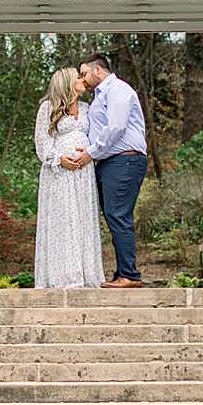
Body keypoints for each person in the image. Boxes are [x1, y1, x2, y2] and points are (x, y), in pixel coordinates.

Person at [64, 52, 147, 288]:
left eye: (84, 74)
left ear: (97, 70)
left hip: (125, 161)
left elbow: (116, 127)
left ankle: (129, 275)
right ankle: (123, 271)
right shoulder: (100, 96)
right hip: (110, 163)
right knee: (114, 216)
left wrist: (91, 152)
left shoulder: (118, 90)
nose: (83, 79)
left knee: (118, 215)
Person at [31, 68, 105, 290]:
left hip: (83, 174)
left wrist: (89, 155)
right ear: (66, 83)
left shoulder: (87, 108)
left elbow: (97, 137)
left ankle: (87, 274)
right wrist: (58, 158)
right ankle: (62, 277)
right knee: (63, 221)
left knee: (82, 219)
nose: (83, 80)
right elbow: (41, 142)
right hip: (58, 175)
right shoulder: (48, 108)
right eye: (78, 77)